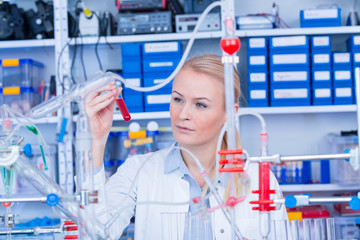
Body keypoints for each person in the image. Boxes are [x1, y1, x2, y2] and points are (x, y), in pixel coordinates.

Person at [85, 54, 288, 240]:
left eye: (200, 105)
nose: (183, 114)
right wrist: (96, 140)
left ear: (230, 113)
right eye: (178, 99)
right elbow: (96, 233)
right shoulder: (139, 170)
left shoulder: (258, 177)